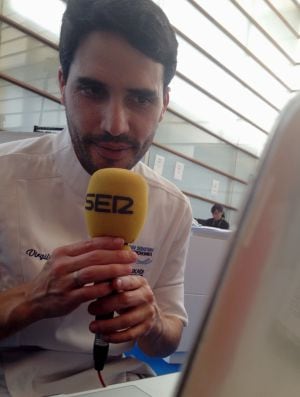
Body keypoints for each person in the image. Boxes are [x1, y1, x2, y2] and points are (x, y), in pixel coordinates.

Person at [0, 1, 193, 396]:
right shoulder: (6, 175)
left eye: (141, 98)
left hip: (119, 381)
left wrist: (152, 321)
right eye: (92, 89)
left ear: (164, 105)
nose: (115, 125)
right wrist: (31, 299)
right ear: (62, 84)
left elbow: (169, 334)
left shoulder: (172, 206)